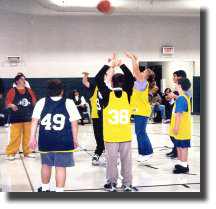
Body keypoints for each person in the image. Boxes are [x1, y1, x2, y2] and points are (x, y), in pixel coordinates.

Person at [29, 79, 81, 192]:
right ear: (62, 91)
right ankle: (59, 192)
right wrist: (75, 139)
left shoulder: (42, 102)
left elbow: (34, 121)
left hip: (46, 140)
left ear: (47, 91)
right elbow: (74, 123)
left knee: (46, 165)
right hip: (64, 140)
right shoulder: (69, 102)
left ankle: (45, 188)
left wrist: (32, 139)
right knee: (60, 167)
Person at [95, 55, 134, 192]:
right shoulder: (127, 94)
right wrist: (122, 64)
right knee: (126, 161)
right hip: (125, 135)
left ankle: (111, 183)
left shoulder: (107, 94)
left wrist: (110, 65)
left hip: (111, 136)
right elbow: (130, 78)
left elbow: (97, 79)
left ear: (111, 83)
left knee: (111, 161)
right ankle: (127, 184)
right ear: (125, 84)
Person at [126, 52, 156, 162]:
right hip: (138, 110)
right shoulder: (139, 81)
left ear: (147, 76)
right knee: (139, 132)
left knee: (141, 131)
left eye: (144, 72)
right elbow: (136, 71)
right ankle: (142, 153)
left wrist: (132, 59)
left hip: (142, 110)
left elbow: (135, 70)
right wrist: (135, 59)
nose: (141, 73)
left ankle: (148, 152)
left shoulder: (143, 81)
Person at [5, 74, 37, 160]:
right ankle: (11, 153)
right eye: (22, 79)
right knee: (15, 136)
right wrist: (11, 105)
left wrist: (35, 105)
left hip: (27, 116)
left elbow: (34, 101)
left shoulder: (29, 90)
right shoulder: (12, 90)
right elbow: (7, 103)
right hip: (16, 117)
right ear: (17, 81)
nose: (24, 80)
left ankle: (28, 152)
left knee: (28, 136)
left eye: (24, 79)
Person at [169, 78, 191, 174]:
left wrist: (176, 127)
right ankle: (180, 163)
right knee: (178, 146)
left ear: (180, 86)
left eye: (176, 84)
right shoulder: (182, 97)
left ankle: (184, 165)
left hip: (182, 128)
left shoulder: (181, 99)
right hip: (181, 128)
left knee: (183, 147)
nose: (174, 85)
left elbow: (179, 115)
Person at [166, 70, 190, 159]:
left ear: (180, 77)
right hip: (175, 113)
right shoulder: (177, 89)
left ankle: (179, 155)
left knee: (177, 137)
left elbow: (185, 99)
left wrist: (174, 97)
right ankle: (175, 151)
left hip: (181, 117)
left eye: (175, 76)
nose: (173, 78)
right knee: (173, 135)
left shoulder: (185, 91)